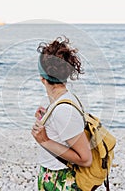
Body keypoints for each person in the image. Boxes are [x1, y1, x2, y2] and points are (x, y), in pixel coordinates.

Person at [31, 36, 92, 190]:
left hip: (62, 180)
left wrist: (44, 140)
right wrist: (47, 117)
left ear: (42, 78)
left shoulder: (63, 110)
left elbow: (85, 159)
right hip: (52, 175)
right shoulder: (59, 102)